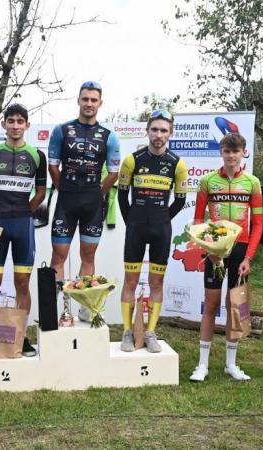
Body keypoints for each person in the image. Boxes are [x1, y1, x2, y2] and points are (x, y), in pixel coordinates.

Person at [0, 104, 47, 358]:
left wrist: (27, 210)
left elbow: (41, 192)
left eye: (20, 121)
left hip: (23, 225)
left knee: (22, 283)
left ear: (27, 125)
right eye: (11, 121)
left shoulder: (37, 156)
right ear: (4, 124)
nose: (16, 126)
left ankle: (21, 336)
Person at [189, 133, 263, 382]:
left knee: (235, 306)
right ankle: (202, 365)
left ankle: (231, 364)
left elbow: (259, 224)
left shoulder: (252, 183)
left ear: (243, 152)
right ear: (221, 152)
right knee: (210, 305)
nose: (231, 156)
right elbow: (198, 221)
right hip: (215, 252)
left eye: (236, 151)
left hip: (241, 251)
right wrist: (208, 249)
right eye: (226, 151)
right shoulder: (208, 181)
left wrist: (249, 258)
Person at [117, 110, 188, 353]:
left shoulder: (177, 164)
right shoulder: (132, 160)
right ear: (147, 131)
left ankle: (150, 332)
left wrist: (162, 219)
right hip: (135, 228)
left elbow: (179, 200)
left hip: (161, 229)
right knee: (131, 281)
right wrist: (132, 221)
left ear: (171, 133)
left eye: (163, 130)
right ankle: (127, 332)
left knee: (157, 282)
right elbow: (122, 195)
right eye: (155, 129)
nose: (158, 135)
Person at [48, 81, 120, 286]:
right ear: (78, 100)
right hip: (66, 202)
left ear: (100, 103)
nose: (89, 103)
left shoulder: (109, 136)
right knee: (58, 257)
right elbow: (53, 167)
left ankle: (83, 310)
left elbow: (114, 173)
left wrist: (98, 194)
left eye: (93, 100)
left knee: (88, 257)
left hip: (93, 205)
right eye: (85, 99)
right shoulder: (61, 130)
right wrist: (65, 190)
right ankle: (59, 314)